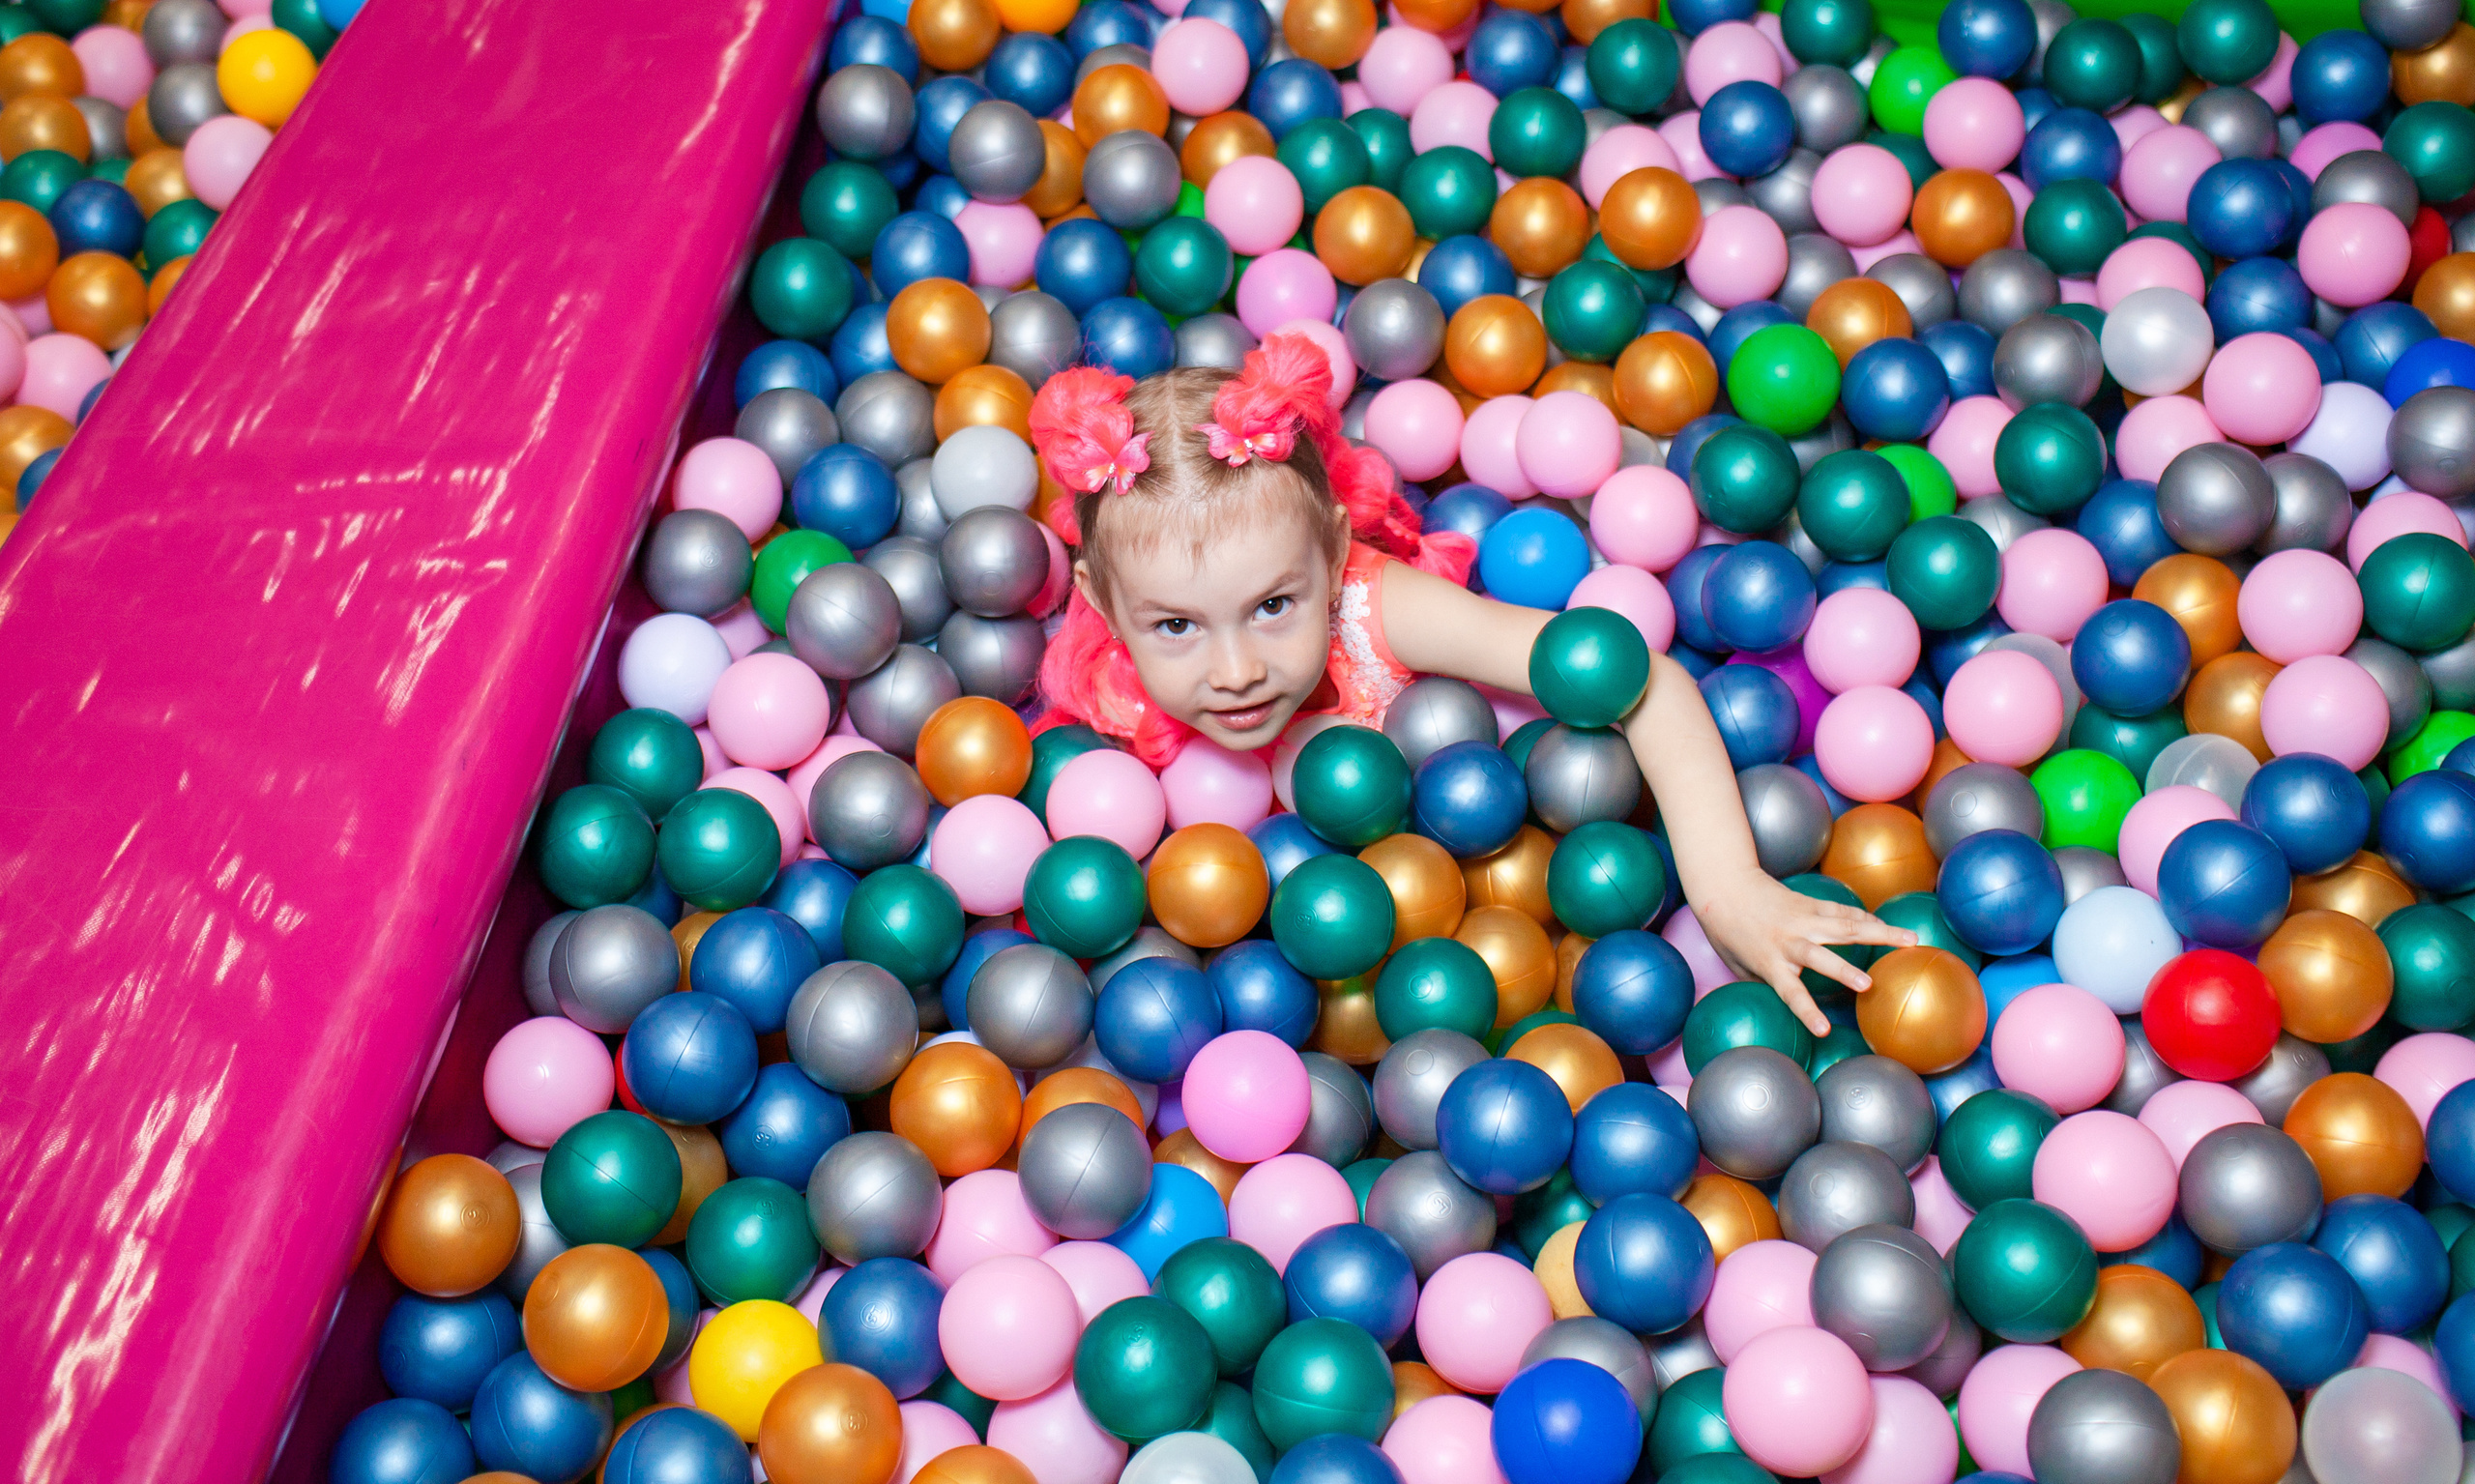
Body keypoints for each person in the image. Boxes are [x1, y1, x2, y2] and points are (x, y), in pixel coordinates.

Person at [1028, 331, 1911, 1033]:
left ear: (1334, 552)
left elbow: (1635, 682)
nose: (1236, 671)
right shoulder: (1108, 702)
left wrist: (1731, 888)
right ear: (1102, 600)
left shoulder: (1379, 608)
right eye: (1176, 626)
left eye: (1272, 606)